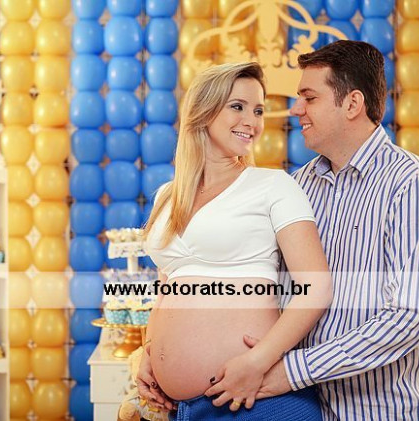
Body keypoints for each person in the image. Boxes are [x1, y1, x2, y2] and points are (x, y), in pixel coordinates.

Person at [207, 40, 419, 419]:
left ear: (352, 104)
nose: (296, 109)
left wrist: (293, 371)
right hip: (296, 407)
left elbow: (409, 317)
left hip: (376, 411)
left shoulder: (412, 184)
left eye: (309, 98)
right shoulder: (298, 184)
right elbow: (265, 286)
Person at [137, 62, 333, 420]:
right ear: (203, 110)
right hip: (185, 408)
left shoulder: (273, 186)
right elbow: (168, 284)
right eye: (238, 106)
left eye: (258, 111)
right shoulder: (167, 196)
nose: (252, 122)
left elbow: (316, 288)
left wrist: (258, 361)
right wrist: (149, 351)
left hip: (255, 400)